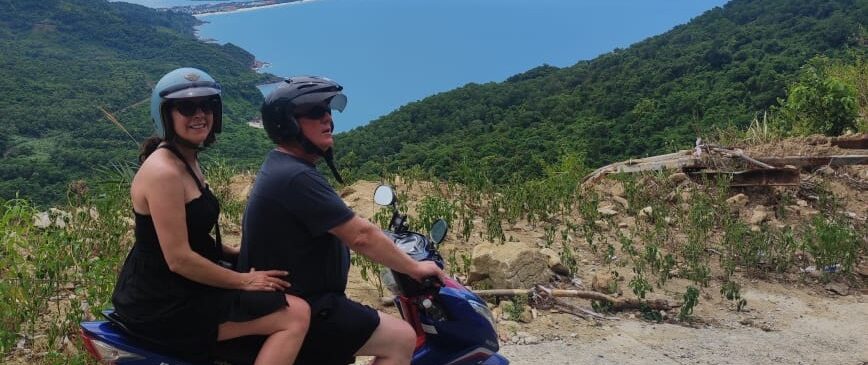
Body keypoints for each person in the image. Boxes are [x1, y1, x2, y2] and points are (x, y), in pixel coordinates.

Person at [239, 76, 446, 365]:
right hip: (306, 305)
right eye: (314, 112)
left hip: (294, 300)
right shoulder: (296, 176)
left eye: (328, 110)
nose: (327, 118)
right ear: (288, 124)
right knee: (401, 337)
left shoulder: (284, 166)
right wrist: (413, 267)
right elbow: (360, 235)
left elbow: (343, 222)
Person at [111, 67, 310, 364]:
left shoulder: (184, 159)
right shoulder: (164, 173)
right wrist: (243, 281)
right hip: (163, 303)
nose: (200, 114)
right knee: (295, 315)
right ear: (165, 115)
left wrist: (237, 255)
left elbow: (192, 236)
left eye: (207, 105)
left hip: (179, 289)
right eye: (187, 107)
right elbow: (179, 259)